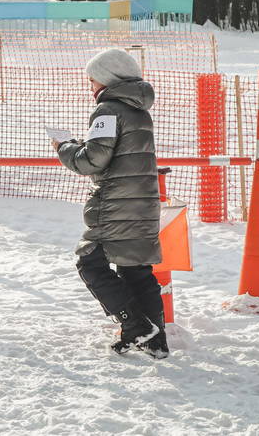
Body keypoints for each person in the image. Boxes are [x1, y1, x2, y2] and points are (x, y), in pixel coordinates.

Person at [53, 48, 168, 359]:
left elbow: (92, 160)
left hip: (117, 203)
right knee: (137, 270)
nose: (90, 86)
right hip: (143, 201)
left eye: (92, 80)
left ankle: (135, 326)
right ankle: (156, 341)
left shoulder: (108, 110)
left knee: (89, 260)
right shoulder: (138, 109)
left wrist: (64, 147)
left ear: (107, 79)